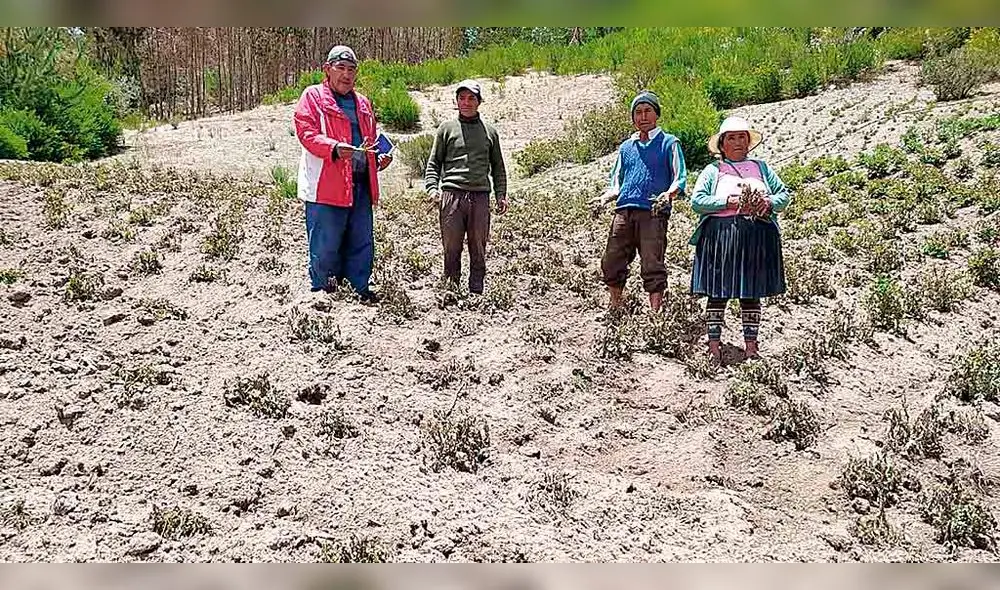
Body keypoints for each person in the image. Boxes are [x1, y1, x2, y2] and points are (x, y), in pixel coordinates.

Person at [293, 44, 393, 302]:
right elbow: (306, 133)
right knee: (326, 243)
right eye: (341, 68)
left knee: (361, 241)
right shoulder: (313, 97)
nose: (346, 75)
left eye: (351, 69)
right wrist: (334, 148)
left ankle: (359, 290)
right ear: (327, 69)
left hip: (360, 184)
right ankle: (324, 293)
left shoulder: (363, 103)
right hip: (326, 186)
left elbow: (370, 141)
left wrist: (378, 159)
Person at [688, 115, 790, 363]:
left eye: (741, 137)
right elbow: (698, 201)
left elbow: (783, 195)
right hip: (721, 237)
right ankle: (713, 344)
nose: (737, 142)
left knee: (751, 291)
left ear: (748, 142)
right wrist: (728, 202)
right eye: (731, 138)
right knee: (718, 291)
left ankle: (751, 346)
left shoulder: (762, 168)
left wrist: (767, 203)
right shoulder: (713, 170)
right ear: (722, 144)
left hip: (757, 236)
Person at [590, 90, 687, 312]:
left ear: (656, 114)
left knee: (652, 263)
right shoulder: (626, 147)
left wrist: (667, 194)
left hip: (653, 211)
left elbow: (679, 177)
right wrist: (604, 198)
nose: (643, 116)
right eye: (638, 112)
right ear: (633, 117)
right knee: (612, 259)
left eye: (647, 111)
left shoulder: (669, 143)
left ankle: (655, 314)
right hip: (624, 210)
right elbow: (616, 182)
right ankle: (616, 304)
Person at [423, 79, 508, 295]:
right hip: (452, 196)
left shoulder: (490, 132)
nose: (466, 102)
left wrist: (501, 194)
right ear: (456, 101)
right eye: (462, 98)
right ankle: (451, 288)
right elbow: (434, 163)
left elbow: (498, 167)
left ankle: (476, 290)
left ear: (479, 102)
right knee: (451, 246)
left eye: (471, 98)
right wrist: (432, 188)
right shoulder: (446, 129)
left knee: (478, 245)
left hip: (480, 197)